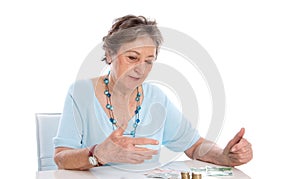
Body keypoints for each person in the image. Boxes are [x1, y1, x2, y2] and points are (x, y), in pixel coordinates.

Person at [53, 15, 253, 170]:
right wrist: (98, 154)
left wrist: (225, 156)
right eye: (132, 57)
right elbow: (61, 158)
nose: (141, 69)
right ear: (109, 54)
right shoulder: (80, 93)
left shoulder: (156, 98)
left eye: (149, 61)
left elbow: (195, 146)